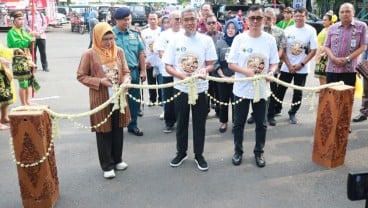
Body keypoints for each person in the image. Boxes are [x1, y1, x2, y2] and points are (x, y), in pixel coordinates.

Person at [163, 8, 217, 171]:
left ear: (197, 19)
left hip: (200, 89)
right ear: (181, 21)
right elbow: (167, 66)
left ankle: (199, 154)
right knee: (181, 123)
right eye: (186, 20)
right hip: (181, 88)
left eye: (192, 19)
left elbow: (211, 64)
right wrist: (181, 76)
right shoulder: (175, 40)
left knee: (199, 124)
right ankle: (181, 152)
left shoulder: (205, 40)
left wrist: (204, 70)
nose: (189, 23)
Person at [77, 22, 131, 179]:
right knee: (104, 131)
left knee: (118, 129)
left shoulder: (119, 52)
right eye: (105, 39)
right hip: (101, 99)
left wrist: (126, 80)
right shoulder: (89, 54)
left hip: (118, 98)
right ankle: (107, 165)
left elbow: (126, 71)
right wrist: (100, 81)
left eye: (111, 38)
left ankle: (118, 159)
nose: (109, 43)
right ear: (97, 38)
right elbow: (81, 76)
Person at [227, 5, 279, 168]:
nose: (255, 21)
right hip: (242, 89)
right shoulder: (239, 39)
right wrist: (246, 72)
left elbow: (274, 62)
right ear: (246, 20)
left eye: (258, 18)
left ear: (264, 19)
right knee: (238, 123)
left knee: (261, 124)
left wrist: (271, 72)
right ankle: (238, 151)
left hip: (262, 89)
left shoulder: (269, 39)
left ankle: (259, 152)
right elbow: (231, 64)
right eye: (252, 18)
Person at [268, 7, 317, 125]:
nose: (299, 18)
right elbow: (283, 49)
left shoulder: (311, 30)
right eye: (297, 15)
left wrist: (301, 64)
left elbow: (313, 50)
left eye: (302, 16)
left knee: (298, 92)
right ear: (293, 16)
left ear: (306, 17)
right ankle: (276, 109)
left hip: (302, 68)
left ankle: (293, 112)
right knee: (280, 90)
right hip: (287, 66)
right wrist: (289, 64)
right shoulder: (288, 30)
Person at [247, 7, 286, 126]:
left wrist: (273, 62)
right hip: (257, 68)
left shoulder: (279, 32)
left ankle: (270, 115)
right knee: (255, 90)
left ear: (274, 19)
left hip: (273, 68)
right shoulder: (256, 30)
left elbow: (282, 49)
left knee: (272, 92)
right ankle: (255, 114)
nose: (267, 20)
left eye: (270, 18)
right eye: (265, 17)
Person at [113, 7, 146, 136]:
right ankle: (118, 126)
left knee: (134, 100)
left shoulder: (134, 34)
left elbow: (141, 53)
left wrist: (143, 70)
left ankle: (133, 125)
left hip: (133, 72)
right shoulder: (110, 35)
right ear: (116, 20)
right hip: (116, 74)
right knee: (118, 100)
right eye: (123, 20)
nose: (126, 22)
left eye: (128, 19)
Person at [324, 3, 367, 88]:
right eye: (342, 12)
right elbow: (326, 46)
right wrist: (333, 58)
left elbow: (363, 46)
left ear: (353, 13)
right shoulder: (333, 27)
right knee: (331, 98)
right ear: (339, 14)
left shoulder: (361, 26)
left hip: (349, 70)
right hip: (332, 69)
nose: (345, 14)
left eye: (348, 11)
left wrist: (347, 59)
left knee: (347, 98)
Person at [154, 10, 183, 133]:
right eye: (176, 19)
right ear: (170, 21)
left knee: (182, 99)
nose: (178, 21)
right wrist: (172, 65)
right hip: (168, 72)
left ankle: (181, 122)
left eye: (180, 19)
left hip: (183, 73)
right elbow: (161, 53)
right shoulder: (164, 35)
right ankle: (169, 123)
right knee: (169, 99)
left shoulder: (186, 34)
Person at [215, 18, 241, 133]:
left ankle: (236, 123)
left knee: (236, 102)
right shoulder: (220, 42)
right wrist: (223, 76)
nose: (230, 30)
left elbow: (243, 61)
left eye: (233, 28)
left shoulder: (240, 42)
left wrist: (235, 76)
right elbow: (215, 61)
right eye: (228, 28)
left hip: (237, 77)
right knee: (223, 101)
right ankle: (223, 122)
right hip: (222, 77)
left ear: (237, 29)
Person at [7, 11, 37, 106]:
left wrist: (32, 39)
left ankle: (28, 101)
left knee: (29, 81)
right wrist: (30, 38)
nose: (22, 21)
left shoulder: (23, 31)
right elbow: (17, 44)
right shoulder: (11, 32)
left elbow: (29, 44)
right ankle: (23, 104)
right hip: (19, 59)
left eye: (23, 19)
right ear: (14, 21)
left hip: (27, 57)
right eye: (19, 19)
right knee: (23, 82)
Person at [142, 13, 162, 107]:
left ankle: (161, 100)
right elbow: (142, 48)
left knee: (161, 82)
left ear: (158, 19)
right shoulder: (144, 32)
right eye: (151, 19)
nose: (153, 21)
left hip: (160, 62)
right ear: (148, 20)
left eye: (154, 19)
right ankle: (152, 99)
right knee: (151, 83)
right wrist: (145, 60)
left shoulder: (162, 31)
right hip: (149, 62)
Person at [205, 14, 223, 116]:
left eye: (214, 22)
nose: (212, 25)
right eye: (209, 23)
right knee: (207, 91)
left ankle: (219, 111)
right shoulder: (203, 37)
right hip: (207, 69)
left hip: (219, 69)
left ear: (217, 24)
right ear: (206, 24)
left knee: (219, 92)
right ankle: (206, 110)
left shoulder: (222, 36)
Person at [0, 45, 21, 130]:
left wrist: (14, 49)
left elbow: (3, 50)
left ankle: (4, 117)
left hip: (3, 71)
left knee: (5, 97)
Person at [314, 11, 337, 85]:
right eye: (323, 19)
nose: (323, 21)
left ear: (331, 21)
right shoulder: (324, 29)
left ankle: (325, 93)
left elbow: (333, 44)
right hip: (320, 53)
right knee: (321, 76)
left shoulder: (332, 30)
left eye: (325, 20)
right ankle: (322, 92)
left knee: (325, 77)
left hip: (326, 55)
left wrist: (324, 53)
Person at [24, 4, 49, 72]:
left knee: (43, 52)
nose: (32, 7)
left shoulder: (41, 14)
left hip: (41, 36)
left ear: (36, 7)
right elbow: (25, 25)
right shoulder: (26, 15)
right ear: (29, 7)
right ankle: (33, 67)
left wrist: (40, 32)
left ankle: (45, 67)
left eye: (33, 6)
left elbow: (45, 24)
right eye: (31, 6)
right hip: (32, 37)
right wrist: (32, 32)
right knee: (32, 53)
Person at [353, 49, 368, 122]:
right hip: (367, 69)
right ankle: (363, 113)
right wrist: (360, 66)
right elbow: (365, 51)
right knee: (366, 92)